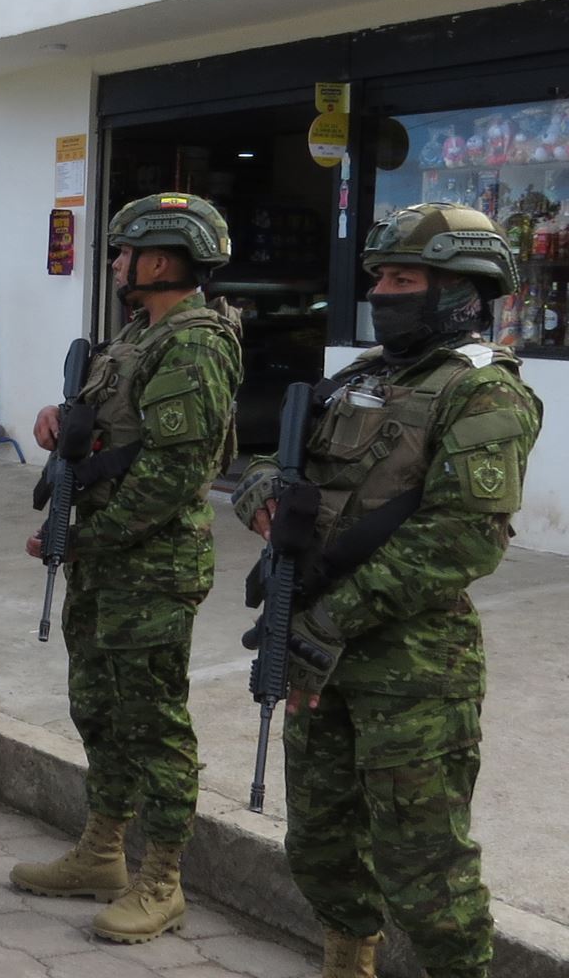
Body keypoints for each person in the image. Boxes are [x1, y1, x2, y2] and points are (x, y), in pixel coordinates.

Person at [231, 203, 541, 978]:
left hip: (412, 669)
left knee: (424, 868)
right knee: (321, 843)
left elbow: (463, 539)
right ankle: (348, 961)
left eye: (403, 278)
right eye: (380, 278)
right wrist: (262, 494)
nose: (383, 292)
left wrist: (333, 616)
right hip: (315, 651)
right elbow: (273, 458)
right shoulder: (358, 378)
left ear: (459, 290)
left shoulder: (484, 392)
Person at [8, 193, 243, 943]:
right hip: (108, 560)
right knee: (100, 711)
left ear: (164, 259)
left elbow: (174, 475)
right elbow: (114, 429)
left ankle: (163, 879)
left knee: (153, 723)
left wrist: (85, 538)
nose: (114, 263)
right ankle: (103, 852)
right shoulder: (138, 337)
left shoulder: (195, 342)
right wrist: (59, 419)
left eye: (124, 252)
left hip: (151, 564)